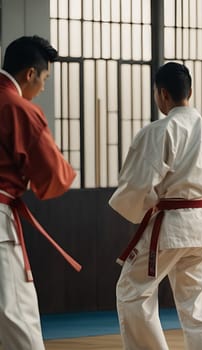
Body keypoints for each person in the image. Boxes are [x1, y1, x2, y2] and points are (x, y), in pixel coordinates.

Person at [109, 62, 202, 350]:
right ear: (190, 91)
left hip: (170, 226)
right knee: (196, 303)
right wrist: (200, 207)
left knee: (132, 292)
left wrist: (146, 208)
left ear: (162, 93)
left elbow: (136, 184)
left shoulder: (160, 130)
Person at [0, 36, 78, 350]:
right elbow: (53, 175)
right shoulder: (17, 107)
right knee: (17, 316)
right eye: (44, 79)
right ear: (30, 74)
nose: (43, 88)